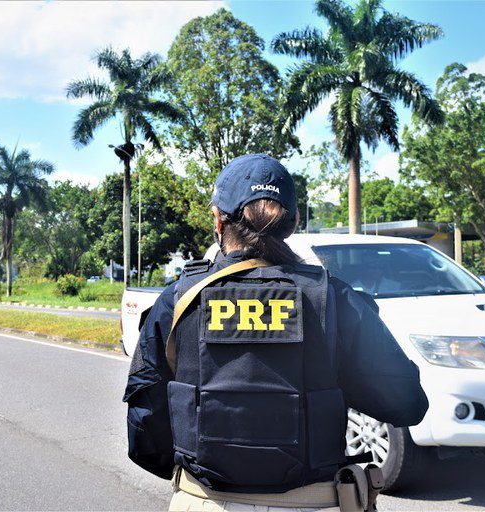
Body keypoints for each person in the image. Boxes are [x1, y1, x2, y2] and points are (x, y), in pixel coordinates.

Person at [123, 154, 428, 512]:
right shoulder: (335, 298)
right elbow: (406, 402)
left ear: (217, 219)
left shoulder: (177, 299)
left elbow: (144, 424)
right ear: (294, 221)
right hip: (313, 504)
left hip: (204, 503)